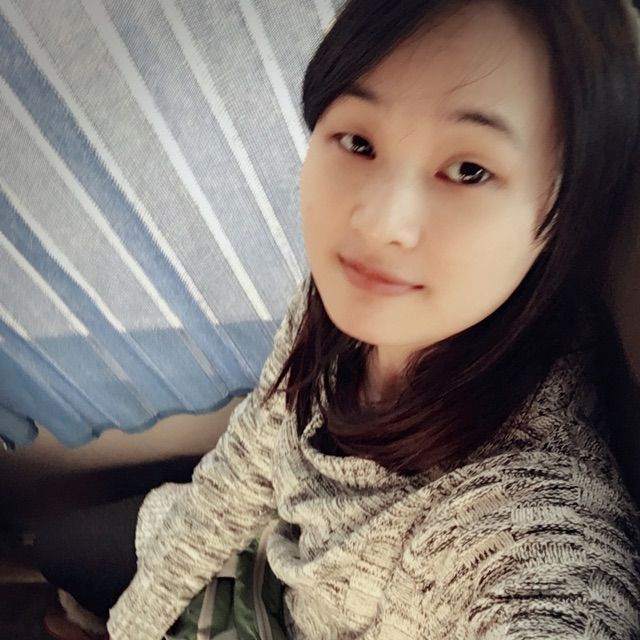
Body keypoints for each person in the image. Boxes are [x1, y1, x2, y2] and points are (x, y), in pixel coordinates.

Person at [35, 0, 640, 638]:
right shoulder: (341, 303)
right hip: (274, 562)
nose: (378, 223)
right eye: (359, 142)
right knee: (56, 547)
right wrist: (132, 626)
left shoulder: (529, 516)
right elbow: (244, 467)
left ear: (564, 207)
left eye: (469, 170)